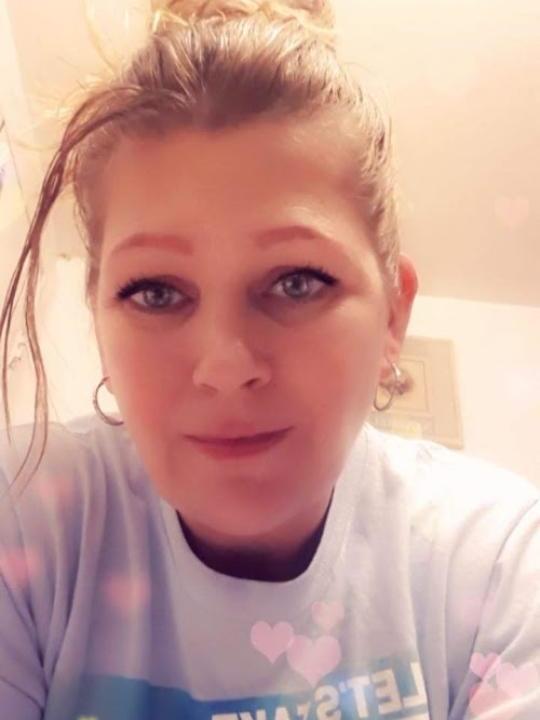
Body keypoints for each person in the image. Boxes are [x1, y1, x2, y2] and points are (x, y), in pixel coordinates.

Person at [0, 1, 538, 718]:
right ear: (98, 320)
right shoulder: (27, 517)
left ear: (392, 315)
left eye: (297, 283)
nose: (226, 366)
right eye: (156, 292)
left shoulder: (497, 560)